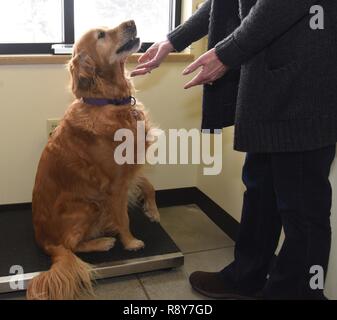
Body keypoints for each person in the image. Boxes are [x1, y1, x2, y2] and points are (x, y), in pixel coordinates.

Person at [131, 0, 337, 300]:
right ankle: (247, 276)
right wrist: (173, 40)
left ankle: (296, 293)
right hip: (268, 86)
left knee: (303, 210)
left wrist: (227, 53)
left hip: (305, 88)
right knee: (259, 192)